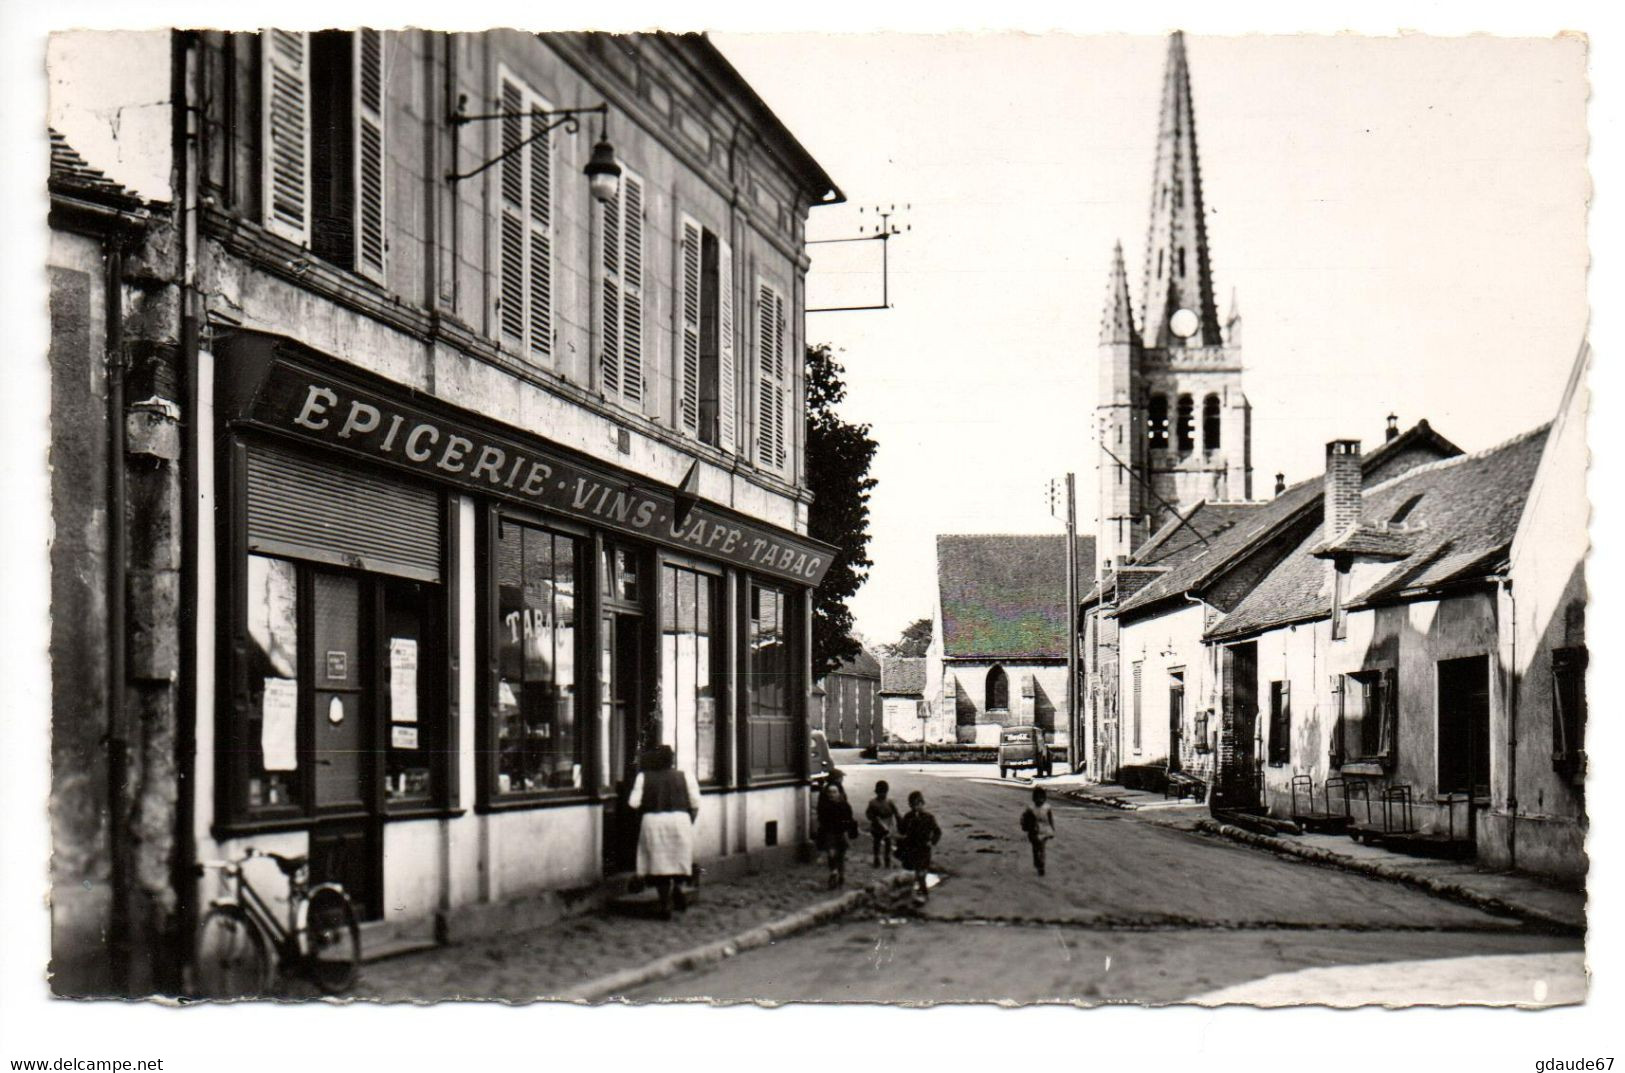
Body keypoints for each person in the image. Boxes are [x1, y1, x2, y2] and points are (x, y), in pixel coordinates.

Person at [627, 744, 701, 918]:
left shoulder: (643, 777)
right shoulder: (685, 776)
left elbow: (633, 803)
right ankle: (677, 887)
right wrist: (689, 822)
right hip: (680, 819)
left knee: (659, 864)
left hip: (654, 821)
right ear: (672, 760)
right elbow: (696, 804)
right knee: (678, 859)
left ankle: (664, 904)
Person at [896, 790, 942, 904]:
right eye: (913, 805)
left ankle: (924, 895)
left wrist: (932, 842)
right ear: (910, 805)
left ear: (922, 803)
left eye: (918, 804)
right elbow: (902, 830)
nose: (916, 807)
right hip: (911, 848)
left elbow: (937, 831)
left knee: (922, 873)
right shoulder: (908, 816)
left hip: (923, 849)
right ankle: (911, 896)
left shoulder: (929, 817)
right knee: (911, 873)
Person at [816, 769, 859, 888]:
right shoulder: (838, 794)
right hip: (834, 831)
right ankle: (838, 873)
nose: (842, 779)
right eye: (840, 777)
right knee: (837, 853)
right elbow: (847, 816)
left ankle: (836, 872)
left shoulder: (826, 792)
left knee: (834, 853)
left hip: (833, 830)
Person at [865, 779, 902, 867]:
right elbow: (868, 814)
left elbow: (896, 813)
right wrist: (874, 819)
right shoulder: (872, 803)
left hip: (888, 825)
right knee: (876, 843)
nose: (882, 794)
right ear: (877, 792)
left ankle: (887, 859)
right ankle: (877, 858)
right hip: (877, 825)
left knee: (888, 843)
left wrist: (900, 823)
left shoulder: (890, 802)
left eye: (883, 792)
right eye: (880, 792)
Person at [1020, 786, 1057, 876]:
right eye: (1037, 797)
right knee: (1035, 848)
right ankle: (1037, 861)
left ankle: (1041, 864)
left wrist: (1052, 828)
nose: (1039, 800)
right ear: (1033, 798)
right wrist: (1026, 826)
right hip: (1033, 831)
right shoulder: (1030, 808)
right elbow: (1024, 818)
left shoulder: (1047, 807)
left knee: (1041, 847)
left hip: (1044, 830)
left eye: (1041, 797)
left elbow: (1050, 819)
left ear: (1044, 798)